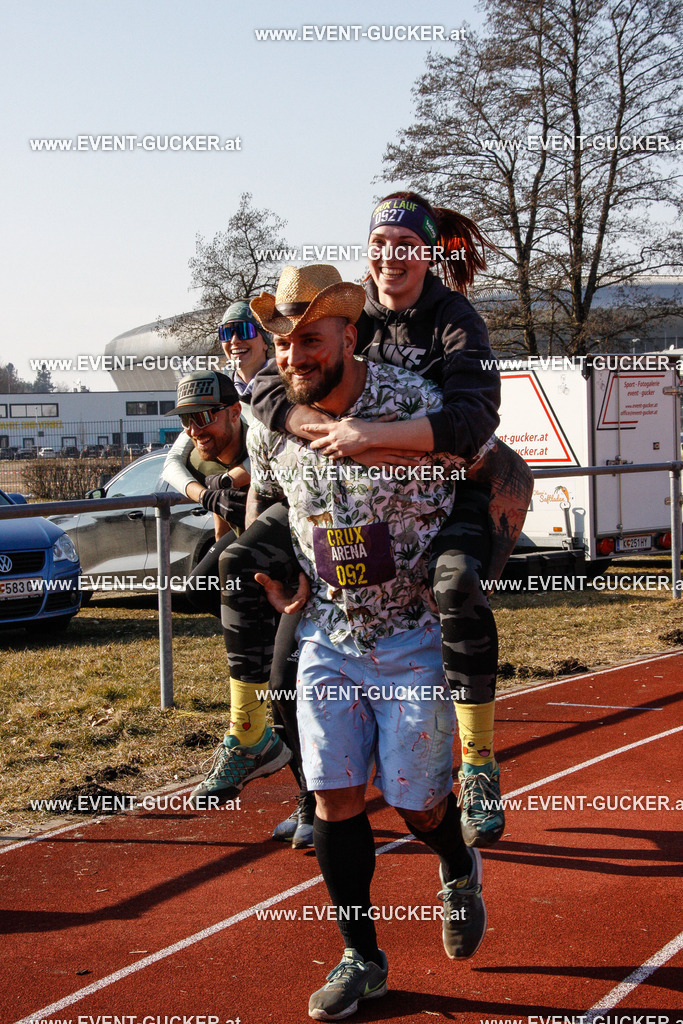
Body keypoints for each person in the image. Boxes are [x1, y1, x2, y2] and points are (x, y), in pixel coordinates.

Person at [249, 193, 534, 847]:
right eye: (379, 243)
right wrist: (315, 424)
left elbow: (470, 425)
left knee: (454, 587)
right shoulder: (350, 315)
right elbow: (271, 384)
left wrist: (372, 436)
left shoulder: (454, 320)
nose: (390, 256)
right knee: (287, 649)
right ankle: (312, 791)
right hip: (362, 500)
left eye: (405, 244)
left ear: (427, 254)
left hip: (459, 482)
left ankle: (481, 766)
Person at [245, 264, 487, 1021]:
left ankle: (455, 862)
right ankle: (362, 956)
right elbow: (274, 499)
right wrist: (268, 561)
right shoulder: (272, 420)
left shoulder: (413, 406)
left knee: (417, 806)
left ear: (348, 336)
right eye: (282, 347)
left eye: (308, 341)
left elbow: (481, 478)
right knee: (335, 799)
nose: (293, 359)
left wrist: (455, 566)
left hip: (410, 637)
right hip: (328, 635)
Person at [161, 369, 294, 809]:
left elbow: (261, 478)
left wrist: (233, 484)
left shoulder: (262, 430)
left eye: (204, 417)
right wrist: (208, 495)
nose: (195, 428)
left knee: (284, 686)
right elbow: (170, 468)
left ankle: (312, 799)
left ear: (234, 411)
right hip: (255, 549)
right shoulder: (198, 444)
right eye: (186, 419)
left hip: (296, 548)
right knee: (200, 586)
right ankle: (261, 706)